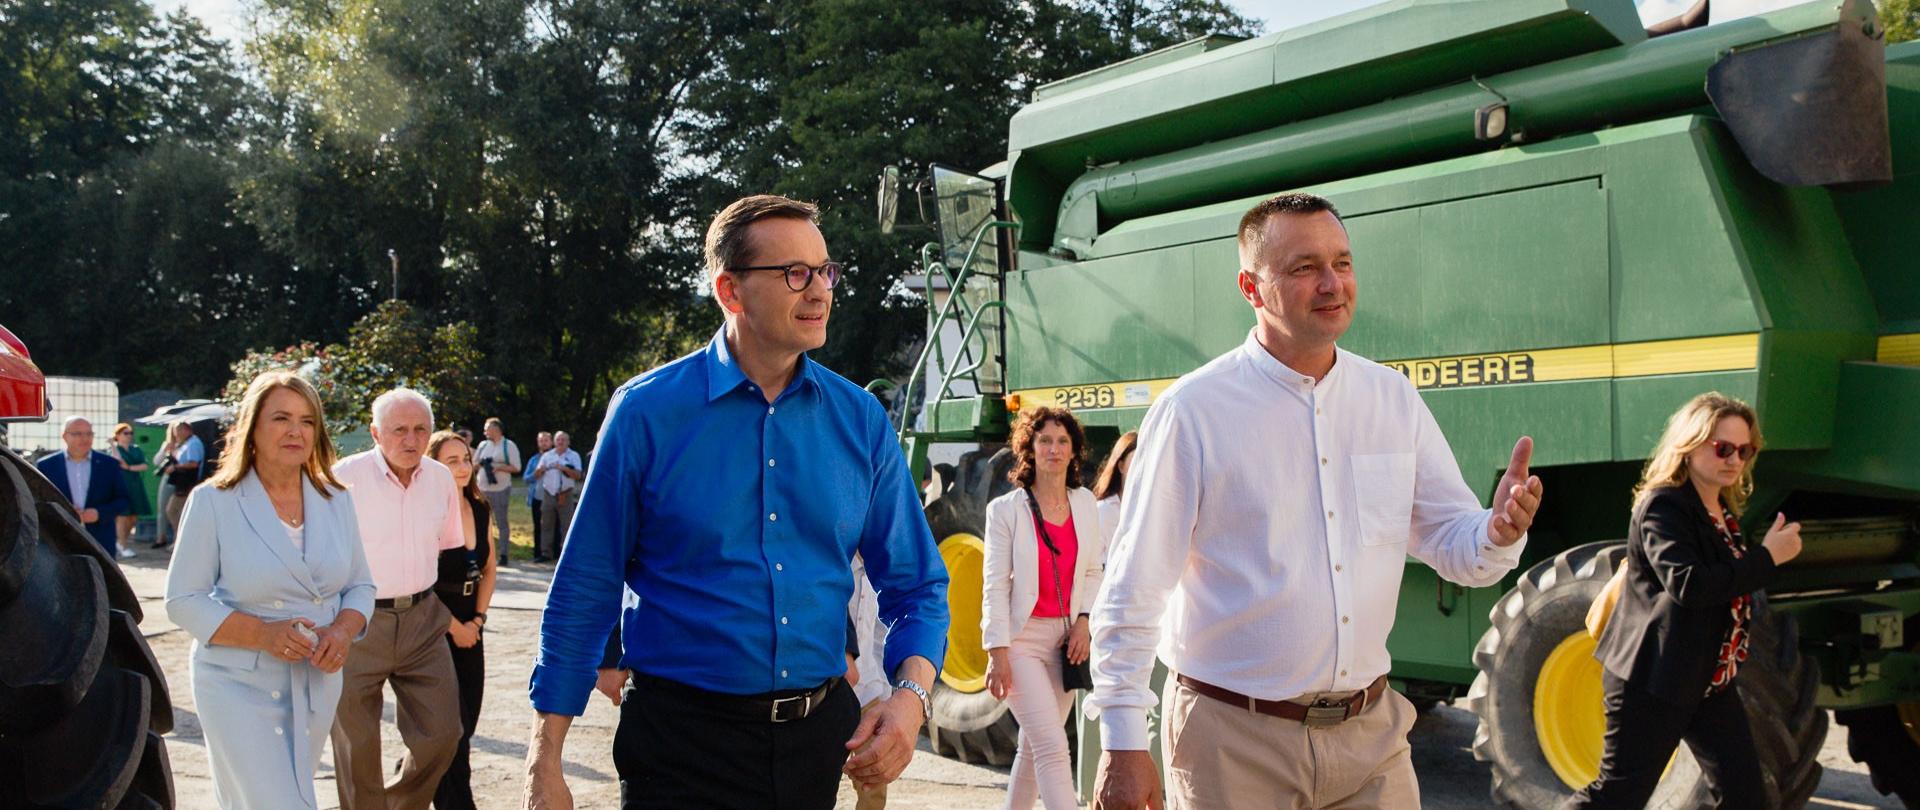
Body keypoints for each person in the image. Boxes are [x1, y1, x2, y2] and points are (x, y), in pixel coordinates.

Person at [1088, 192, 1545, 810]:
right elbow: (1133, 586)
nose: (1333, 283)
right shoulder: (1192, 413)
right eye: (1305, 267)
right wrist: (1121, 741)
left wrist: (1495, 532)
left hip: (1371, 738)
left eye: (1342, 263)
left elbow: (1453, 544)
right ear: (1251, 288)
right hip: (1232, 742)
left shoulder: (1392, 399)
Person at [524, 194, 950, 810]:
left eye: (825, 271)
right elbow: (585, 586)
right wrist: (545, 758)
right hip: (680, 747)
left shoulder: (860, 419)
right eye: (795, 273)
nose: (820, 291)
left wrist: (911, 699)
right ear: (730, 291)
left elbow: (917, 585)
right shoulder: (645, 413)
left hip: (815, 744)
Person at [1566, 393, 1802, 809]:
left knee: (1746, 797)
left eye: (1745, 451)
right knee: (1617, 797)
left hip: (1708, 681)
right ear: (1689, 445)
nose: (1735, 460)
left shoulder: (1721, 509)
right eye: (1723, 448)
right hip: (1653, 679)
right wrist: (1766, 558)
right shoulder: (1664, 505)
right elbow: (1689, 584)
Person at [163, 370, 375, 809]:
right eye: (281, 418)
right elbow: (182, 600)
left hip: (316, 681)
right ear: (251, 427)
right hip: (235, 684)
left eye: (307, 421)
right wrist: (263, 634)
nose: (296, 430)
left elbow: (360, 585)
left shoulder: (337, 500)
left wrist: (341, 632)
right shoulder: (213, 501)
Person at [330, 387, 468, 810]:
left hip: (423, 620)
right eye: (399, 430)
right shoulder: (342, 478)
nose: (411, 440)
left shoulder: (440, 478)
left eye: (421, 430)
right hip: (357, 621)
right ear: (375, 433)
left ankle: (395, 805)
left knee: (443, 734)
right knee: (357, 747)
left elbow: (448, 548)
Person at [984, 407, 1107, 810]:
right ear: (1030, 448)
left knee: (1033, 748)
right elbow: (995, 584)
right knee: (1053, 746)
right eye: (1045, 441)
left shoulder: (1085, 503)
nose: (1054, 449)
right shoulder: (1006, 510)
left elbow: (1093, 571)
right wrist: (997, 651)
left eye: (1062, 441)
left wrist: (1084, 622)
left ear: (1073, 451)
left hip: (1066, 643)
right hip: (1021, 641)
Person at [427, 430, 498, 810]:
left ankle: (410, 783)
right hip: (434, 628)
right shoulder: (426, 513)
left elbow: (489, 570)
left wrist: (477, 621)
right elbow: (419, 584)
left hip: (473, 628)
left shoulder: (480, 507)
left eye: (465, 459)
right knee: (449, 730)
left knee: (465, 725)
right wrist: (454, 627)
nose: (461, 467)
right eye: (451, 460)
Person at [37, 416, 133, 559]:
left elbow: (123, 500)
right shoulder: (46, 466)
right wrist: (63, 512)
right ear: (64, 436)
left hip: (100, 540)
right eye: (78, 434)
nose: (85, 438)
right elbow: (38, 501)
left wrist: (99, 513)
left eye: (89, 434)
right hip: (59, 541)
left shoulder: (109, 464)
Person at [474, 417, 522, 567]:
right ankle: (481, 555)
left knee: (501, 522)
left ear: (496, 429)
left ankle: (503, 555)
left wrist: (499, 468)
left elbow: (517, 467)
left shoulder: (509, 445)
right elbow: (474, 464)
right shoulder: (483, 445)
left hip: (500, 489)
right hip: (482, 488)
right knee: (480, 522)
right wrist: (483, 464)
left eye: (487, 429)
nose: (485, 432)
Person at [533, 430, 583, 561]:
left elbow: (578, 475)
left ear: (568, 442)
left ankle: (566, 554)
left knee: (567, 525)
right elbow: (536, 475)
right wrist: (540, 470)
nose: (560, 442)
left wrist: (565, 469)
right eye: (558, 440)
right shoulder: (547, 456)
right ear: (554, 442)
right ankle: (546, 553)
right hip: (548, 493)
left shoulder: (574, 456)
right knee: (546, 525)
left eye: (563, 440)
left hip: (566, 493)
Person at [157, 420, 206, 550]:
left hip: (187, 484)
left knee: (173, 511)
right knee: (175, 511)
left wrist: (175, 467)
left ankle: (182, 540)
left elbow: (193, 464)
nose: (176, 434)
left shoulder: (193, 443)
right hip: (181, 483)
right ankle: (179, 539)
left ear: (186, 430)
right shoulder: (185, 443)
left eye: (178, 430)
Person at [108, 422, 153, 550]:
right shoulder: (114, 449)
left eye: (131, 433)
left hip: (135, 485)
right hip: (120, 484)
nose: (129, 435)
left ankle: (121, 542)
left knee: (133, 517)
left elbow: (144, 466)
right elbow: (117, 461)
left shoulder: (136, 449)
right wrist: (112, 445)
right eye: (126, 433)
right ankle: (122, 544)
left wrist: (129, 467)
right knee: (122, 515)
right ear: (117, 435)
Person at [1091, 430, 1137, 551]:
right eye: (1136, 462)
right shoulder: (1103, 511)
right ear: (1121, 466)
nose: (1140, 469)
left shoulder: (1154, 510)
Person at [524, 430, 553, 562]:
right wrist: (536, 474)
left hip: (554, 497)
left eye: (546, 440)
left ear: (551, 442)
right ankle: (538, 553)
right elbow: (526, 478)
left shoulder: (556, 457)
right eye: (541, 441)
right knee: (538, 526)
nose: (543, 443)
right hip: (537, 497)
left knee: (554, 526)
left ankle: (554, 552)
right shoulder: (534, 460)